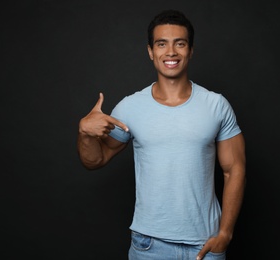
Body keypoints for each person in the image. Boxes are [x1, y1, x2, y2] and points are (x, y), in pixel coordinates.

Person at [77, 10, 246, 260]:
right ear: (150, 52)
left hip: (205, 245)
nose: (171, 52)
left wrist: (225, 234)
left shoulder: (216, 105)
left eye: (180, 43)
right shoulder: (130, 107)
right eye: (161, 44)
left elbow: (235, 169)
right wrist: (85, 133)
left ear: (190, 50)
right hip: (149, 247)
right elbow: (96, 160)